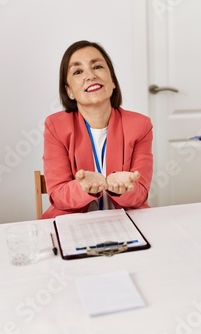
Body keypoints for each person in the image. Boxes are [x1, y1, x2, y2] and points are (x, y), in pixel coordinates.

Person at [41, 40, 153, 219]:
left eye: (98, 67)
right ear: (69, 91)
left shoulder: (140, 125)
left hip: (127, 222)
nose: (90, 76)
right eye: (78, 71)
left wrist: (123, 190)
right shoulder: (55, 127)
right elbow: (58, 195)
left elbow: (141, 194)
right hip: (74, 224)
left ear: (113, 81)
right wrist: (82, 187)